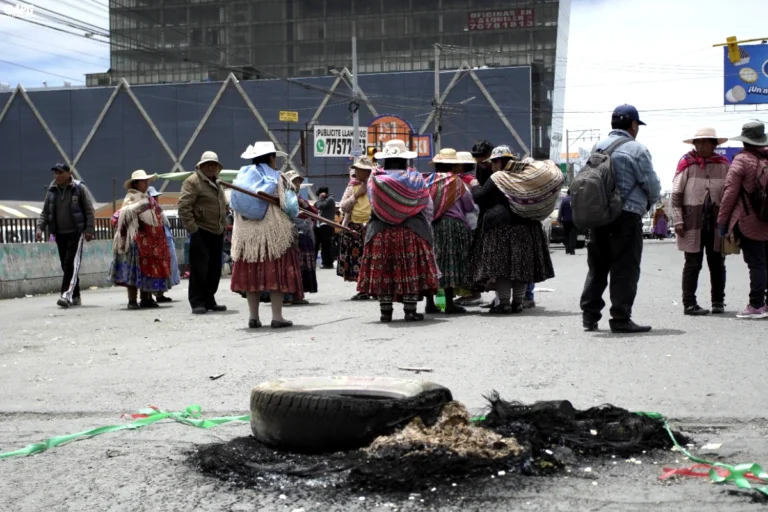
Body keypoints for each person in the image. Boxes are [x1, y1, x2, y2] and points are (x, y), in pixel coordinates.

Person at [580, 105, 661, 333]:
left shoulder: (598, 147)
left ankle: (589, 316)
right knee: (625, 267)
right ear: (633, 125)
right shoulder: (637, 149)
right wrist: (647, 203)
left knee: (597, 267)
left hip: (599, 215)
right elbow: (651, 184)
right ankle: (620, 318)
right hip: (626, 215)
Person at [357, 139, 439, 322]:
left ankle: (385, 312)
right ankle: (410, 311)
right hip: (411, 231)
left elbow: (373, 204)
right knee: (410, 270)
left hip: (381, 231)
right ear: (405, 159)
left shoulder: (375, 180)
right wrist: (424, 226)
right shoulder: (416, 178)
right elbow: (427, 205)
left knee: (383, 270)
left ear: (385, 159)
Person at [468, 146, 556, 314]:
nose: (491, 167)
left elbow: (479, 197)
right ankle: (518, 302)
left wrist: (474, 186)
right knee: (521, 266)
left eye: (492, 163)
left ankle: (504, 303)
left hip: (501, 227)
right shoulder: (524, 176)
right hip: (527, 226)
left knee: (502, 268)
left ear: (499, 162)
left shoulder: (499, 176)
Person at [230, 141, 302, 328]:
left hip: (246, 236)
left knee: (251, 276)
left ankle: (253, 317)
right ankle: (277, 316)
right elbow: (291, 207)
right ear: (271, 158)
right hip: (272, 235)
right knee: (275, 276)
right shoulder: (279, 177)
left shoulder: (241, 179)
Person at [672, 128, 730, 316]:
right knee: (692, 264)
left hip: (717, 224)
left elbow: (731, 193)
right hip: (691, 223)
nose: (701, 146)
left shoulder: (723, 166)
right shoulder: (686, 164)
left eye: (706, 142)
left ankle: (718, 301)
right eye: (698, 142)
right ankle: (689, 303)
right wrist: (678, 220)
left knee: (717, 264)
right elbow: (676, 195)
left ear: (714, 145)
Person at [717, 121, 768, 319]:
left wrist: (722, 222)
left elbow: (730, 193)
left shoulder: (741, 160)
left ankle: (756, 305)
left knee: (756, 263)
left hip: (749, 220)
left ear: (745, 140)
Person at [109, 170, 172, 309]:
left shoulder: (148, 198)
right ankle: (132, 300)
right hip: (135, 240)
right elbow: (123, 215)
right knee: (133, 270)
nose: (146, 183)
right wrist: (139, 208)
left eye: (146, 181)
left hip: (149, 242)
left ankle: (146, 298)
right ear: (136, 184)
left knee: (146, 270)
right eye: (143, 181)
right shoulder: (131, 198)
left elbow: (158, 216)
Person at [36, 162, 96, 308]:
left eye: (60, 173)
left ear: (69, 174)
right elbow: (45, 212)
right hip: (59, 234)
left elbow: (89, 210)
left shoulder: (79, 188)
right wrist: (40, 228)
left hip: (76, 232)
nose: (57, 176)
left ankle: (65, 295)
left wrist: (89, 229)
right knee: (66, 265)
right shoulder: (52, 190)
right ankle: (76, 295)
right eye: (55, 173)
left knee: (70, 264)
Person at [423, 149, 475, 314]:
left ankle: (433, 303)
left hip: (432, 226)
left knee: (434, 265)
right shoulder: (457, 183)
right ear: (453, 165)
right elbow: (469, 206)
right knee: (450, 266)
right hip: (452, 227)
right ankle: (448, 304)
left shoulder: (427, 181)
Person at [177, 151, 229, 315]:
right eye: (207, 164)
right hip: (201, 230)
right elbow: (184, 208)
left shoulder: (218, 183)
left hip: (217, 230)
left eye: (213, 164)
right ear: (201, 166)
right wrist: (193, 230)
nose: (210, 167)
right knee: (199, 268)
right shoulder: (193, 182)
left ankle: (209, 299)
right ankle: (197, 302)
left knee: (214, 268)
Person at [456, 140, 494, 308]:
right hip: (471, 223)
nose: (482, 164)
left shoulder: (466, 180)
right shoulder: (467, 179)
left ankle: (443, 303)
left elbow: (472, 203)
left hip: (476, 222)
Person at [337, 156, 374, 300]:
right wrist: (357, 195)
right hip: (354, 226)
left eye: (360, 169)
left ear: (367, 171)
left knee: (371, 258)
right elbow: (343, 207)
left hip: (371, 226)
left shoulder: (375, 185)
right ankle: (363, 289)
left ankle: (373, 287)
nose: (356, 171)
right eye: (356, 169)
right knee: (357, 258)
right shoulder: (352, 186)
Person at [283, 170, 317, 305]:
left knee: (300, 266)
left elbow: (314, 212)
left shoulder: (299, 198)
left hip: (302, 234)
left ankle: (298, 293)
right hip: (289, 234)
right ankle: (289, 294)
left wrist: (304, 205)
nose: (297, 184)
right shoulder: (284, 196)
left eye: (298, 182)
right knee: (292, 265)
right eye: (294, 181)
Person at [147, 186, 181, 303]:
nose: (156, 199)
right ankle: (149, 296)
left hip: (164, 243)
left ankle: (160, 294)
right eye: (154, 197)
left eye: (156, 197)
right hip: (152, 245)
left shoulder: (158, 210)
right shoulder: (146, 211)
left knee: (164, 268)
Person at [314, 186, 336, 269]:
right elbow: (315, 206)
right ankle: (312, 262)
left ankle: (327, 263)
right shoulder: (321, 200)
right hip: (318, 225)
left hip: (327, 225)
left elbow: (319, 206)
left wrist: (320, 198)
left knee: (326, 245)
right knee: (315, 244)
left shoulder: (330, 200)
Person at [558, 189, 576, 254]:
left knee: (566, 234)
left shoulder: (564, 200)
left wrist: (559, 219)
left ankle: (567, 248)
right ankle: (572, 249)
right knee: (572, 234)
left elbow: (560, 211)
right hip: (573, 221)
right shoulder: (574, 201)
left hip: (565, 221)